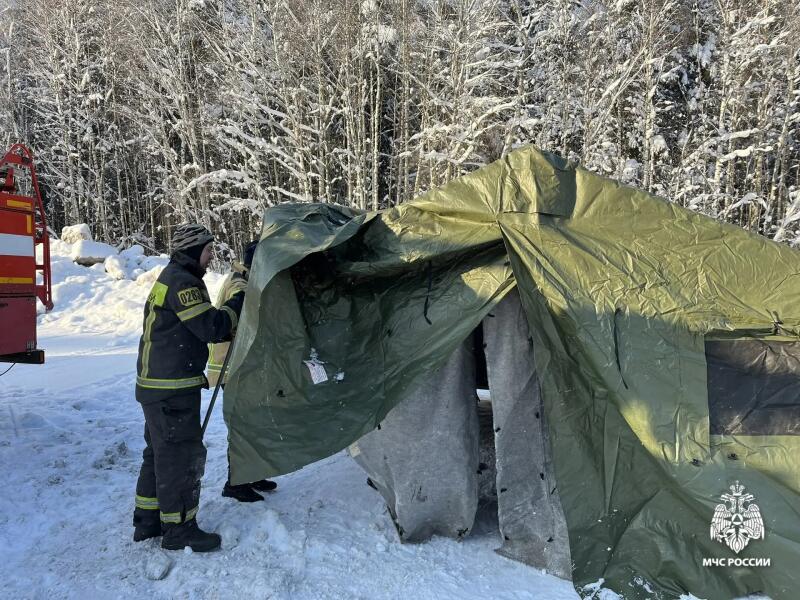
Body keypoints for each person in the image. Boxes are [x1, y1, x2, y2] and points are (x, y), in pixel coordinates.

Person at [132, 224, 245, 552]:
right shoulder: (183, 282)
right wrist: (237, 302)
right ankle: (179, 529)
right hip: (171, 389)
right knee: (180, 457)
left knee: (158, 454)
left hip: (157, 387)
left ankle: (148, 520)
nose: (211, 257)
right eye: (208, 250)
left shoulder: (171, 277)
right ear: (193, 250)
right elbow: (212, 327)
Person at [207, 240, 278, 502]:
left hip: (241, 367)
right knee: (242, 427)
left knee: (253, 425)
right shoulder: (239, 284)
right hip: (231, 368)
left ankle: (252, 473)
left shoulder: (244, 279)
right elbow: (239, 317)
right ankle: (235, 483)